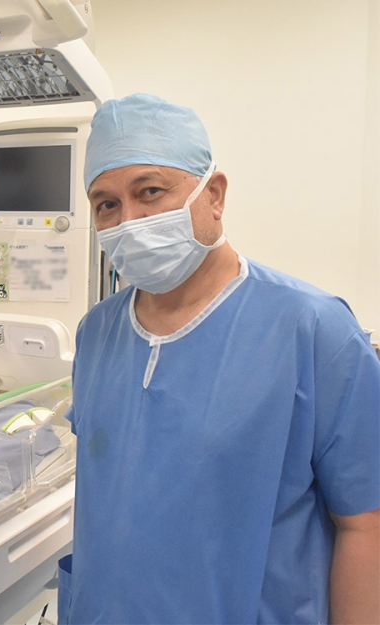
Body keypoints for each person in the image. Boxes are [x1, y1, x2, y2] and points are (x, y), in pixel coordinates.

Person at [59, 93, 380, 624]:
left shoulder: (314, 331)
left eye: (150, 191)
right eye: (106, 204)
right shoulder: (98, 332)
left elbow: (365, 523)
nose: (129, 220)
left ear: (214, 194)